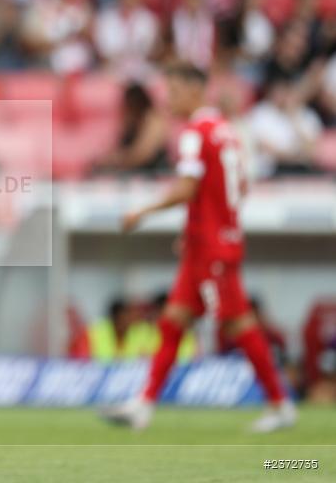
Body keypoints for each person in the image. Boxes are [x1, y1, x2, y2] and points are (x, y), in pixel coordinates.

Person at [104, 63, 296, 433]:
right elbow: (237, 189)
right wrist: (203, 227)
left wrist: (141, 211)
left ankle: (280, 403)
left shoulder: (195, 132)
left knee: (238, 323)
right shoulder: (226, 131)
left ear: (195, 91)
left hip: (211, 249)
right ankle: (143, 405)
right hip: (209, 242)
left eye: (174, 92)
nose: (169, 100)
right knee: (173, 320)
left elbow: (187, 188)